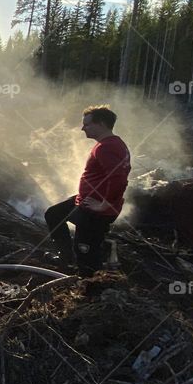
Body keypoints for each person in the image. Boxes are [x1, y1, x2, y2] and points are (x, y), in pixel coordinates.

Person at [45, 105, 131, 274]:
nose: (83, 128)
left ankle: (90, 285)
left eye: (87, 124)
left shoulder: (107, 147)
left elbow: (118, 178)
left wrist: (104, 204)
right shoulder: (109, 144)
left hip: (95, 211)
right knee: (54, 214)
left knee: (86, 253)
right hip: (86, 201)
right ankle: (67, 257)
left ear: (102, 124)